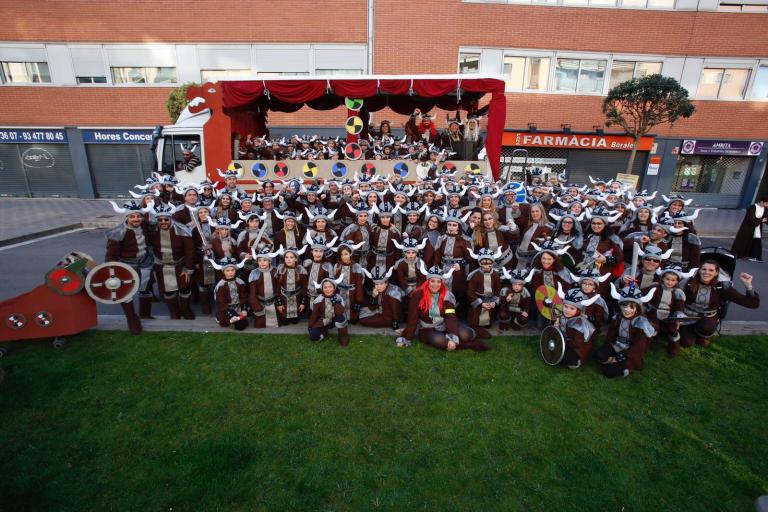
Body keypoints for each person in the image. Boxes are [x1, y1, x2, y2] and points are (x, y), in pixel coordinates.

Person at [397, 264, 488, 351]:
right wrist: (406, 336)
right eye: (432, 281)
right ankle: (469, 345)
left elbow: (450, 316)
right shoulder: (418, 295)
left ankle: (471, 333)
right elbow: (413, 317)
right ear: (427, 282)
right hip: (428, 328)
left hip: (444, 324)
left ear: (442, 283)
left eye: (438, 282)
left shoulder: (447, 296)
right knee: (440, 341)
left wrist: (453, 336)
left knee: (466, 335)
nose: (435, 285)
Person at [678, 261, 759, 351]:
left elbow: (751, 304)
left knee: (705, 329)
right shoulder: (688, 283)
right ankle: (691, 332)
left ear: (716, 273)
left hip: (708, 319)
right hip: (688, 316)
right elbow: (675, 297)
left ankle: (703, 336)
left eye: (711, 270)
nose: (706, 272)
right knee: (686, 342)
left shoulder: (721, 287)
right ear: (699, 271)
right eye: (704, 269)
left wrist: (748, 285)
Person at [105, 200, 155, 334]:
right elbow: (111, 255)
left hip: (145, 262)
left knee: (145, 288)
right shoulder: (118, 232)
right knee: (127, 292)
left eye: (138, 216)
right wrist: (111, 271)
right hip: (127, 265)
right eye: (132, 216)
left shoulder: (145, 226)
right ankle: (131, 319)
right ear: (127, 217)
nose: (136, 219)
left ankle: (145, 314)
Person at [596, 284, 657, 378]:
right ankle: (613, 361)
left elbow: (638, 345)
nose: (627, 310)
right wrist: (608, 346)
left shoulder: (640, 323)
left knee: (608, 371)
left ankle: (627, 368)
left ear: (637, 309)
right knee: (599, 355)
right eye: (624, 305)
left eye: (631, 307)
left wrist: (622, 355)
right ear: (620, 306)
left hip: (630, 350)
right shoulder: (618, 317)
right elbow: (611, 334)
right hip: (617, 345)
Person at [553, 284, 601, 369]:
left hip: (577, 348)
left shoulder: (579, 323)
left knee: (563, 358)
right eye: (566, 306)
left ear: (578, 310)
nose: (567, 310)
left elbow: (576, 344)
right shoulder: (562, 317)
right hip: (566, 342)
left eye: (572, 308)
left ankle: (578, 361)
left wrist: (561, 342)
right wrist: (556, 327)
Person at [209, 256, 250, 330]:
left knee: (244, 323)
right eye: (227, 271)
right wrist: (230, 314)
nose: (230, 273)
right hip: (226, 309)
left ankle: (236, 319)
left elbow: (244, 296)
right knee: (239, 326)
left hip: (238, 307)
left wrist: (244, 309)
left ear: (235, 270)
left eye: (232, 270)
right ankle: (220, 317)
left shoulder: (240, 283)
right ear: (223, 271)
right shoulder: (221, 285)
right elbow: (220, 302)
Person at [308, 276, 350, 346]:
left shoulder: (338, 297)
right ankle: (324, 332)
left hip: (335, 319)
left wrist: (335, 302)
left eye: (330, 287)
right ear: (322, 289)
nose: (328, 289)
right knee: (313, 336)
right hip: (324, 320)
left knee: (341, 318)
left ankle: (343, 336)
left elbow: (340, 312)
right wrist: (310, 325)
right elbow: (314, 314)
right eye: (325, 287)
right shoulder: (319, 300)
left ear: (334, 288)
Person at [731, 196, 768, 261]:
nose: (767, 205)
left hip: (757, 227)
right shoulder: (753, 207)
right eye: (766, 203)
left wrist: (764, 220)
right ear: (762, 202)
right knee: (744, 240)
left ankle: (756, 257)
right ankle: (739, 254)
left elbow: (765, 218)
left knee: (756, 241)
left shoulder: (765, 209)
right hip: (748, 227)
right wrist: (761, 220)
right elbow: (751, 218)